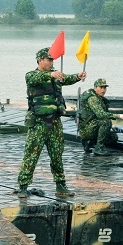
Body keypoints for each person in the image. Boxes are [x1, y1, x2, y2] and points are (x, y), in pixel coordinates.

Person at [16, 47, 86, 198]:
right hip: (38, 123)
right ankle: (23, 186)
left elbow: (66, 78)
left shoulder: (55, 75)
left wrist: (78, 76)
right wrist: (51, 74)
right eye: (49, 60)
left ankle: (61, 185)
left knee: (57, 155)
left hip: (55, 122)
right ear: (40, 60)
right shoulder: (32, 75)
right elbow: (36, 78)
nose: (51, 62)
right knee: (31, 155)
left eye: (52, 60)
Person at [78, 78, 123, 156]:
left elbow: (98, 116)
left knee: (113, 138)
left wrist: (112, 126)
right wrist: (119, 116)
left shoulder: (100, 98)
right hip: (86, 129)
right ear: (95, 88)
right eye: (101, 87)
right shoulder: (93, 99)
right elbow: (101, 114)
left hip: (91, 126)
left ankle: (89, 142)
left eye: (104, 88)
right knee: (106, 122)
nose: (103, 90)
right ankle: (98, 148)